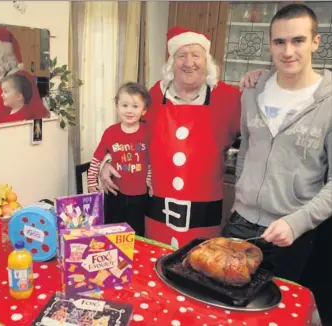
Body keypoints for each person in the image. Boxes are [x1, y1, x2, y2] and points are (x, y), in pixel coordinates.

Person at [100, 27, 242, 248]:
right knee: (154, 266)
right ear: (171, 62)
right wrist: (107, 160)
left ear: (207, 61)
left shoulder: (230, 98)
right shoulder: (153, 96)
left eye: (196, 55)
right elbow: (127, 132)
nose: (189, 62)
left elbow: (257, 144)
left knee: (200, 269)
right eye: (181, 55)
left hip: (204, 214)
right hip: (156, 212)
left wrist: (259, 81)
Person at [222, 4, 331, 283]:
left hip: (293, 232)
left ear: (315, 42)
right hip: (240, 223)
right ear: (270, 44)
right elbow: (247, 149)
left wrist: (296, 224)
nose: (288, 51)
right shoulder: (252, 91)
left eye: (298, 40)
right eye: (279, 41)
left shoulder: (328, 102)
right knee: (225, 306)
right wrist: (239, 200)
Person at [87, 82, 152, 236]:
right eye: (124, 105)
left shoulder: (148, 131)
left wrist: (149, 178)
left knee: (137, 234)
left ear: (144, 110)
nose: (129, 111)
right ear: (117, 106)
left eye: (135, 106)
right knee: (112, 231)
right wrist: (91, 182)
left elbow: (152, 160)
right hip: (115, 193)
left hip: (140, 195)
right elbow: (96, 159)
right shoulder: (110, 132)